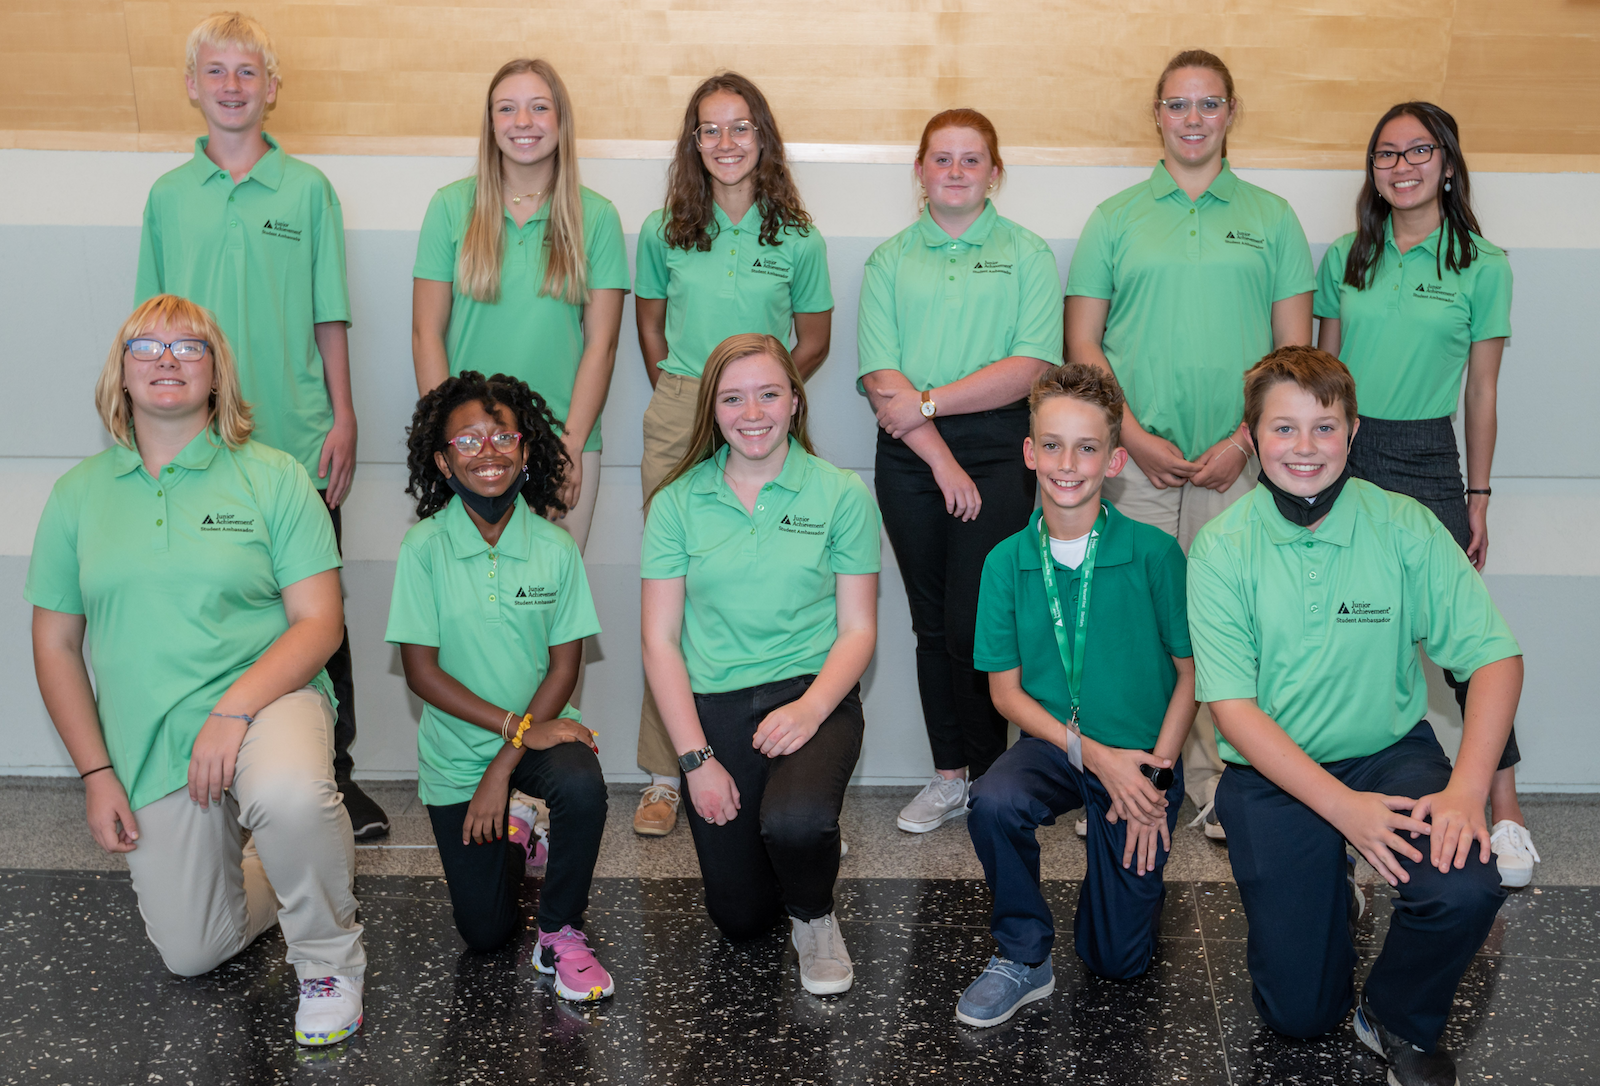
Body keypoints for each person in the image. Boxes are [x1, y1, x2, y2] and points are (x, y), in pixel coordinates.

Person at [28, 295, 367, 1045]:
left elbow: (321, 622)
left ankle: (329, 960)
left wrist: (232, 711)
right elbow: (54, 647)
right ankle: (307, 867)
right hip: (152, 741)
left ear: (217, 375)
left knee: (288, 795)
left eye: (190, 347)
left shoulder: (274, 476)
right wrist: (95, 774)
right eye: (146, 347)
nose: (168, 359)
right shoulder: (77, 497)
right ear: (121, 375)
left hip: (266, 699)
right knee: (194, 950)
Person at [1188, 346, 1519, 1086]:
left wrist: (1466, 791)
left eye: (1324, 428)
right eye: (1283, 429)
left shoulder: (1403, 527)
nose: (1304, 448)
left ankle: (1395, 1016)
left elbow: (1495, 660)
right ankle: (1329, 891)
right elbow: (1233, 712)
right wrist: (1347, 815)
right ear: (1252, 435)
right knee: (1299, 1019)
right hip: (1273, 774)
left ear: (1353, 430)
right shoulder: (1221, 550)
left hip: (1386, 753)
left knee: (1463, 880)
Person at [134, 12, 387, 839]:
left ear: (272, 89)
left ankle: (332, 776)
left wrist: (344, 416)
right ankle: (203, 764)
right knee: (206, 606)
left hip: (299, 438)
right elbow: (149, 328)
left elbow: (329, 318)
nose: (233, 86)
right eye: (217, 72)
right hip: (199, 445)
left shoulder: (308, 190)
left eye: (248, 73)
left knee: (316, 612)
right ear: (192, 85)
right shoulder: (169, 198)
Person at [1064, 48, 1314, 839]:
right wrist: (1130, 437)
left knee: (1225, 630)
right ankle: (1117, 778)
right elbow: (1083, 347)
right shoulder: (1114, 219)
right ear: (1158, 116)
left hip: (1234, 469)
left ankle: (1217, 789)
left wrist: (1244, 440)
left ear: (1231, 113)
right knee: (1122, 624)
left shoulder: (1273, 218)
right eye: (1178, 105)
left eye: (1209, 104)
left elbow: (1293, 355)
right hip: (1130, 465)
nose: (1194, 119)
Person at [1314, 101, 1534, 887]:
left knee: (1466, 648)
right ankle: (1342, 814)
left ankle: (1503, 811)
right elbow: (1322, 379)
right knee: (1341, 633)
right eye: (1386, 155)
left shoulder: (1483, 262)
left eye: (1418, 152)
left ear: (1447, 162)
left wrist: (1477, 493)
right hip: (1344, 452)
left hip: (1428, 454)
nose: (1401, 166)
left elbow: (1481, 390)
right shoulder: (1347, 255)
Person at [639, 334, 879, 995]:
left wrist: (809, 708)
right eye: (733, 397)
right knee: (740, 920)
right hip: (715, 707)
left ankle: (814, 911)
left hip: (813, 692)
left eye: (769, 394)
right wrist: (695, 762)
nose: (753, 413)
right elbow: (659, 642)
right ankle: (796, 853)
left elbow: (859, 629)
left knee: (796, 821)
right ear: (712, 410)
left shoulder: (841, 494)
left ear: (795, 401)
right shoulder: (676, 503)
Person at [960, 363, 1195, 1027]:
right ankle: (1023, 953)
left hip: (1147, 758)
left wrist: (1153, 774)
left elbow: (1191, 673)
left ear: (1114, 459)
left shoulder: (1154, 554)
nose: (1070, 464)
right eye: (1054, 445)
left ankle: (1119, 889)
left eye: (1087, 447)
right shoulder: (1006, 561)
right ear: (1030, 452)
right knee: (995, 800)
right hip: (1057, 746)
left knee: (1117, 959)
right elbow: (1005, 695)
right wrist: (1095, 757)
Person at [631, 72, 835, 837]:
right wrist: (693, 394)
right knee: (670, 600)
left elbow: (812, 338)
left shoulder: (799, 238)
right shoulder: (664, 230)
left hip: (763, 416)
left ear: (764, 138)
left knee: (758, 584)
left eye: (740, 128)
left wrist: (762, 396)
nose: (725, 143)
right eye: (709, 130)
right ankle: (664, 771)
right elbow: (649, 327)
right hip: (684, 406)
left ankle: (769, 749)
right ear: (693, 143)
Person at [858, 108, 1062, 833]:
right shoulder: (889, 259)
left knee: (982, 621)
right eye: (940, 159)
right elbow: (881, 378)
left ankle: (995, 778)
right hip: (912, 457)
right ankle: (950, 778)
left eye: (970, 159)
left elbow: (1031, 365)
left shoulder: (1027, 254)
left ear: (994, 172)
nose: (954, 171)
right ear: (919, 172)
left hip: (1000, 445)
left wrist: (932, 403)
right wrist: (937, 451)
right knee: (931, 625)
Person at [386, 372, 612, 1001]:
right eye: (468, 441)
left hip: (539, 733)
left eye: (503, 437)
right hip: (460, 749)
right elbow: (421, 673)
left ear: (525, 449)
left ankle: (561, 931)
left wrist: (508, 758)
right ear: (442, 459)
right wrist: (507, 742)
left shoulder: (555, 547)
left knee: (581, 783)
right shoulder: (423, 548)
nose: (488, 452)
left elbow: (563, 670)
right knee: (484, 934)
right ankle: (517, 831)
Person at [412, 57, 628, 552]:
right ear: (490, 124)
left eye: (539, 107)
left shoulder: (596, 218)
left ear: (561, 120)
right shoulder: (449, 208)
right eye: (507, 109)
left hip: (562, 443)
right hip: (470, 444)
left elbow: (603, 343)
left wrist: (568, 448)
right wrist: (448, 440)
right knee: (471, 605)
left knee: (550, 607)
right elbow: (426, 334)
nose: (523, 122)